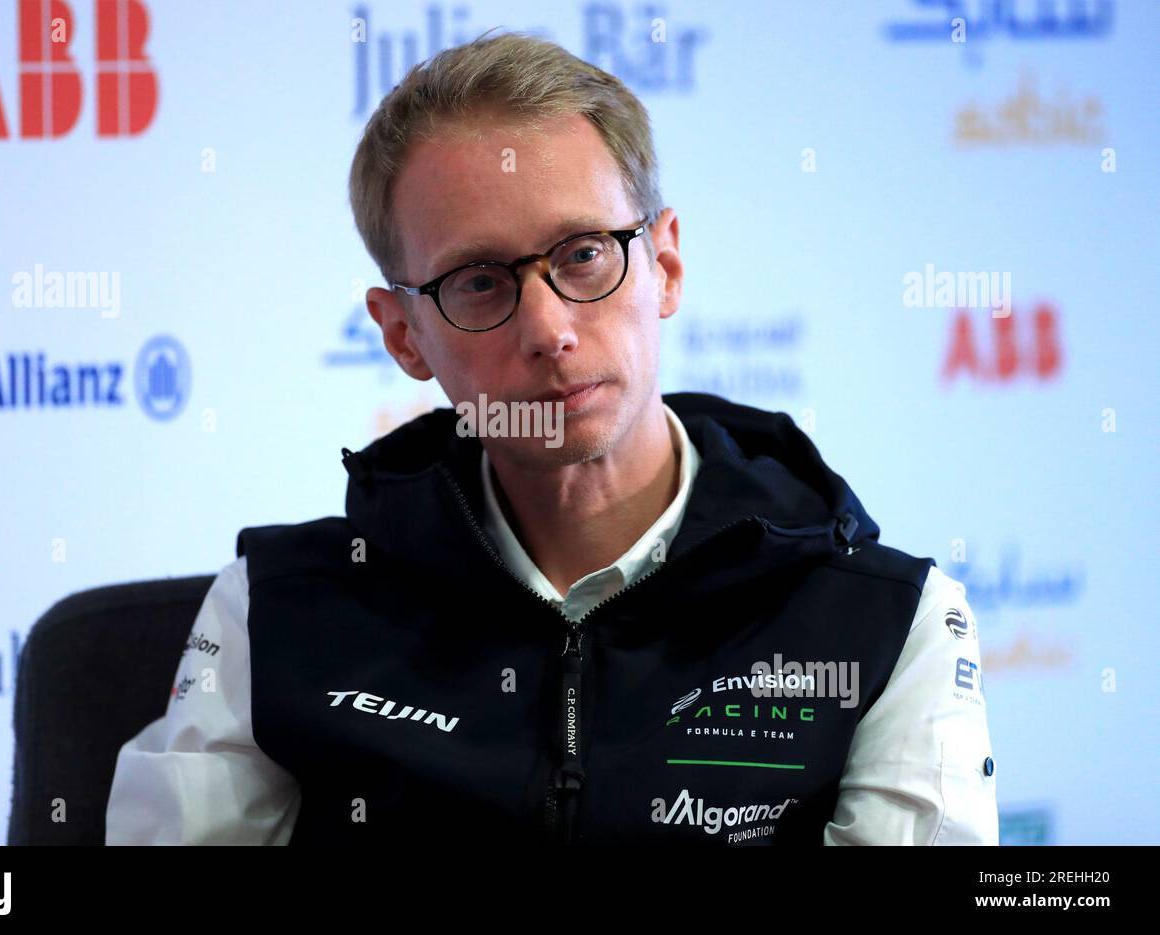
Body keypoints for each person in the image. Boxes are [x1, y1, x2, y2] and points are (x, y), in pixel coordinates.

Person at [106, 30, 997, 846]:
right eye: (481, 281)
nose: (548, 329)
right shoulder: (274, 611)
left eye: (582, 254)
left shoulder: (890, 621)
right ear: (403, 335)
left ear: (666, 264)